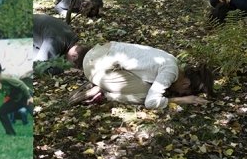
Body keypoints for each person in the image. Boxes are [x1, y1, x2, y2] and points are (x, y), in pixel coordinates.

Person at [68, 41, 214, 109]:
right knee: (146, 95)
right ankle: (105, 92)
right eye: (184, 92)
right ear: (186, 84)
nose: (181, 93)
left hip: (97, 50)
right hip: (94, 66)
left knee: (149, 87)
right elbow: (151, 103)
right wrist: (183, 100)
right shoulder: (170, 72)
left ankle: (104, 83)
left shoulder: (172, 60)